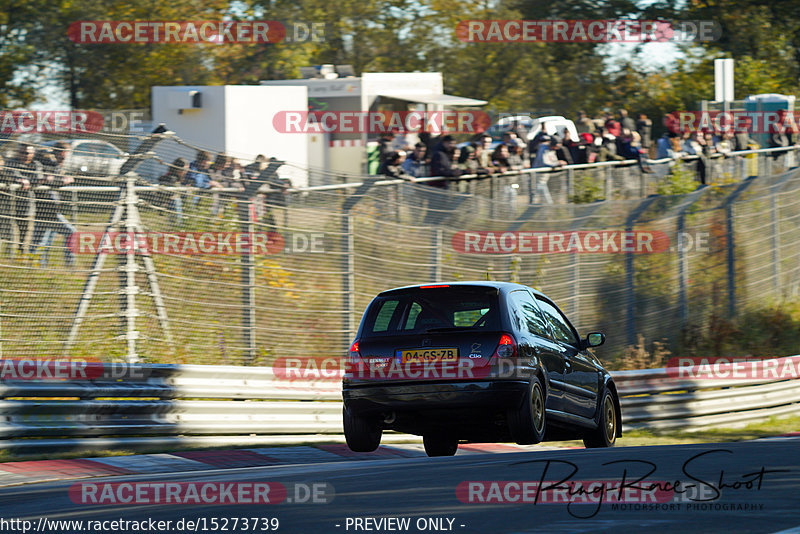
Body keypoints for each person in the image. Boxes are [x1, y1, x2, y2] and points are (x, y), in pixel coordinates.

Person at [31, 142, 77, 267]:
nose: (64, 156)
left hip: (53, 209)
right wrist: (62, 180)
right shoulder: (46, 163)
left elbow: (55, 179)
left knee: (43, 242)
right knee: (70, 232)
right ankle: (69, 266)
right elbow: (48, 180)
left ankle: (39, 267)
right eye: (61, 152)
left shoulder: (58, 166)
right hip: (46, 209)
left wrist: (64, 178)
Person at [5, 144, 43, 254]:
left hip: (26, 204)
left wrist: (26, 180)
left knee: (25, 231)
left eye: (27, 153)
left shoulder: (36, 164)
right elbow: (11, 174)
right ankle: (8, 255)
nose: (24, 155)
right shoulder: (11, 162)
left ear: (33, 154)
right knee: (10, 230)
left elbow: (38, 179)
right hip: (9, 204)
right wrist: (19, 180)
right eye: (22, 153)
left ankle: (21, 252)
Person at [158, 158, 189, 226]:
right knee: (176, 200)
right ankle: (178, 224)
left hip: (179, 203)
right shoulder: (171, 178)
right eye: (184, 170)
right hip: (168, 203)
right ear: (178, 169)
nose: (186, 172)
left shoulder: (182, 178)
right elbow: (165, 193)